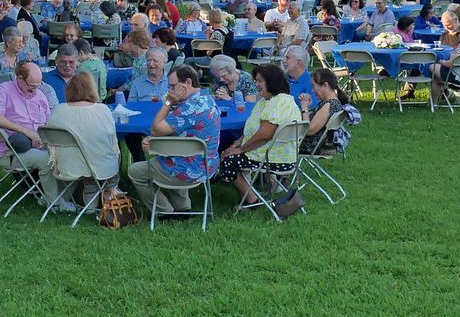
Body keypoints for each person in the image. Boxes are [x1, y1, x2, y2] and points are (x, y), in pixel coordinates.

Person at [129, 63, 220, 214]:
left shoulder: (188, 108)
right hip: (207, 165)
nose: (170, 91)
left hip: (187, 170)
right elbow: (177, 130)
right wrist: (153, 139)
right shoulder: (207, 99)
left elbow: (156, 129)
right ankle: (182, 207)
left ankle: (164, 211)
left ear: (188, 83)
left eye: (172, 86)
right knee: (175, 155)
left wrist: (168, 101)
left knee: (135, 171)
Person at [217, 63, 303, 213]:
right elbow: (253, 130)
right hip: (273, 153)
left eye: (260, 81)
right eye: (255, 81)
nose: (256, 84)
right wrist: (237, 144)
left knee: (228, 161)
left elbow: (264, 135)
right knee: (227, 151)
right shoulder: (268, 101)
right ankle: (246, 198)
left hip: (273, 158)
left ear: (271, 82)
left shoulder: (278, 103)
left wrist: (241, 150)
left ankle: (252, 200)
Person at [40, 72, 121, 210]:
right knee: (112, 154)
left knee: (89, 156)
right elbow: (112, 144)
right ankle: (109, 190)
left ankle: (91, 196)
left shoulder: (58, 110)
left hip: (65, 167)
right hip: (98, 167)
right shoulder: (102, 110)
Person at [0, 58, 61, 208]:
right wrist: (27, 132)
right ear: (20, 78)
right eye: (32, 86)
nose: (35, 89)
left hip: (40, 144)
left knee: (65, 155)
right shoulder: (5, 89)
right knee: (48, 160)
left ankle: (70, 197)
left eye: (38, 85)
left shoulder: (40, 95)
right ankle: (53, 202)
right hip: (12, 151)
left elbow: (49, 124)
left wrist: (44, 139)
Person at [300, 67, 361, 155]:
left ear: (325, 85)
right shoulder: (335, 103)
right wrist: (308, 107)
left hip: (308, 146)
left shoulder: (329, 105)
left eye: (313, 86)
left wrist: (304, 107)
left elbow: (309, 130)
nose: (312, 90)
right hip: (314, 144)